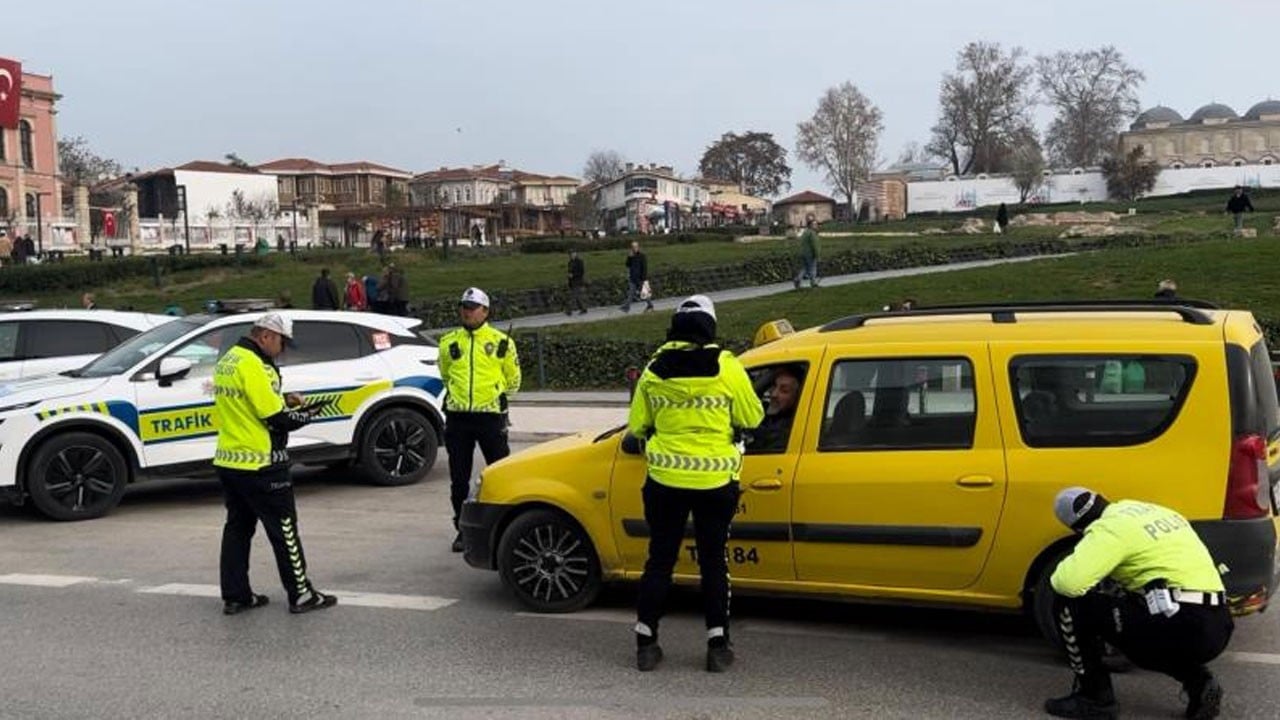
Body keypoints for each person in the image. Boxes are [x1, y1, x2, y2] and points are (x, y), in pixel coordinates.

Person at [628, 295, 764, 673]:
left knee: (660, 559)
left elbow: (637, 425)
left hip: (665, 480)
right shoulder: (726, 366)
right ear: (710, 326)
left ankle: (646, 643)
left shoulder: (654, 369)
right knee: (713, 562)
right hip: (715, 481)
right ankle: (717, 645)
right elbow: (752, 417)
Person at [1043, 487, 1232, 720]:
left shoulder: (1108, 529)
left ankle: (1094, 698)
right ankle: (1199, 684)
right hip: (1217, 622)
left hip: (1184, 624)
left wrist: (1084, 550)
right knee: (1139, 630)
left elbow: (1067, 583)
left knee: (1068, 603)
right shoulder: (1153, 511)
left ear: (1078, 526)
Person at [213, 313, 337, 615]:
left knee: (237, 529)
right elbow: (275, 420)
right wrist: (308, 413)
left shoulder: (230, 359)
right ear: (266, 336)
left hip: (230, 459)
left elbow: (249, 403)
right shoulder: (256, 365)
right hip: (262, 462)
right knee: (284, 529)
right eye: (281, 342)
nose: (281, 349)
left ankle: (236, 595)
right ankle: (301, 594)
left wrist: (283, 399)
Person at [438, 287, 521, 552]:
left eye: (472, 307)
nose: (466, 311)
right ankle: (462, 530)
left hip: (489, 417)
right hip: (459, 418)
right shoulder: (449, 342)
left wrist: (497, 396)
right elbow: (445, 374)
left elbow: (514, 380)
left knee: (501, 474)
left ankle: (507, 528)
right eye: (464, 306)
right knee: (458, 479)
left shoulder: (501, 342)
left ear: (485, 311)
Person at [749, 366, 801, 452]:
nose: (774, 394)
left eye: (784, 391)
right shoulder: (769, 413)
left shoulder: (787, 429)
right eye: (774, 387)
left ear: (798, 397)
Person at [620, 241, 653, 313]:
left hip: (640, 278)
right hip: (633, 278)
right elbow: (627, 265)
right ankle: (626, 307)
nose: (634, 248)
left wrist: (643, 278)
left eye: (635, 247)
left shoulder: (642, 256)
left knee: (644, 293)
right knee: (631, 293)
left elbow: (644, 268)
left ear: (638, 247)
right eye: (633, 247)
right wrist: (629, 257)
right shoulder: (631, 256)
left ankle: (650, 305)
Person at [793, 215, 820, 289]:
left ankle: (798, 279)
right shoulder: (812, 234)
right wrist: (817, 255)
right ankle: (813, 283)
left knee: (805, 268)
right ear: (811, 225)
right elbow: (815, 245)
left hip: (803, 253)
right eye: (815, 224)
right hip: (810, 254)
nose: (817, 226)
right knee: (813, 268)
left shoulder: (805, 232)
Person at [565, 249, 587, 315]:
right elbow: (569, 272)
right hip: (572, 282)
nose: (571, 255)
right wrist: (569, 280)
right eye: (570, 254)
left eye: (573, 254)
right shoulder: (570, 262)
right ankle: (583, 309)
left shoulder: (579, 262)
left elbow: (581, 272)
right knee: (577, 297)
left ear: (576, 254)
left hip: (578, 281)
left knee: (573, 296)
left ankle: (569, 310)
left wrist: (573, 275)